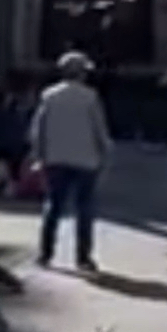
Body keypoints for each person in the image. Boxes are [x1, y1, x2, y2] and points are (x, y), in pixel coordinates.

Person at [32, 49, 110, 271]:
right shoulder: (90, 97)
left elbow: (38, 130)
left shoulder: (49, 96)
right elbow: (99, 129)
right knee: (84, 208)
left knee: (53, 207)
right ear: (81, 73)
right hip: (86, 160)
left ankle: (45, 254)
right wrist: (104, 154)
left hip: (55, 159)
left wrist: (39, 156)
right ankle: (83, 258)